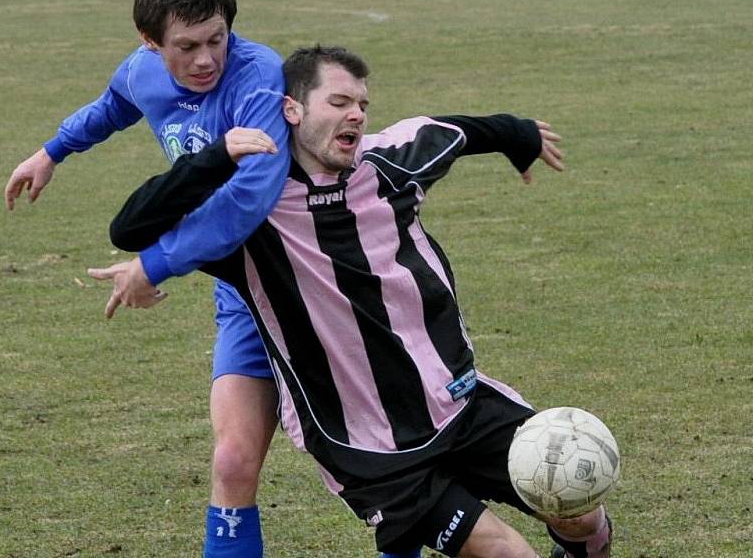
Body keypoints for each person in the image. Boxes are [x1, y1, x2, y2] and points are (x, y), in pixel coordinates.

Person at [93, 45, 614, 557]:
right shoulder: (251, 212)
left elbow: (462, 131)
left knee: (582, 512)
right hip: (368, 449)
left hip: (456, 399)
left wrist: (519, 136)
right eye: (339, 102)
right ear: (292, 109)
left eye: (362, 104)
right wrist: (217, 157)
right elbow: (130, 225)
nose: (356, 115)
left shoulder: (389, 162)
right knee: (504, 552)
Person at [3, 0, 291, 556]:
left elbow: (249, 199)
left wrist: (153, 264)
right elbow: (113, 105)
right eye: (186, 47)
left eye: (217, 39)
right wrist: (51, 151)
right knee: (233, 461)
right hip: (242, 294)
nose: (206, 58)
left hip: (315, 286)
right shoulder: (143, 73)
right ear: (150, 41)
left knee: (379, 463)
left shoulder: (259, 75)